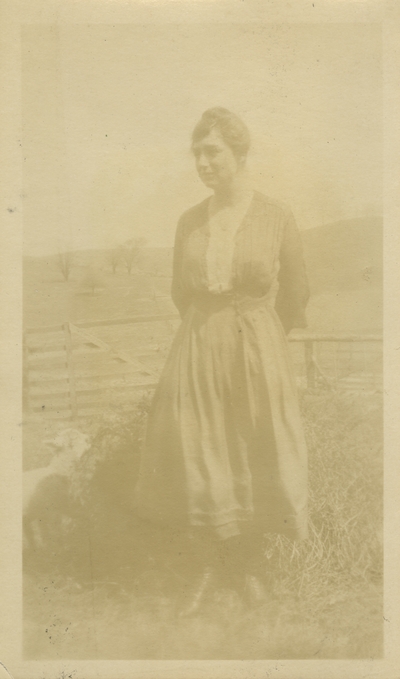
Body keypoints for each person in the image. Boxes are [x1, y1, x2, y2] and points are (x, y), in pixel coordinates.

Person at [134, 107, 309, 616]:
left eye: (213, 152)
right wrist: (206, 333)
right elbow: (177, 290)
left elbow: (296, 291)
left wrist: (262, 338)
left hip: (257, 344)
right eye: (197, 154)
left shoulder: (276, 215)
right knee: (200, 452)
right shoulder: (189, 220)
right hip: (197, 345)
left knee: (257, 449)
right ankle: (210, 565)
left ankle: (249, 566)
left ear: (239, 152)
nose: (203, 163)